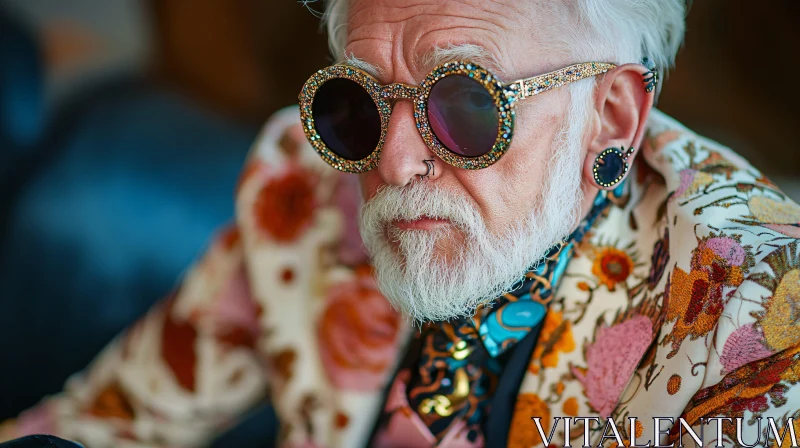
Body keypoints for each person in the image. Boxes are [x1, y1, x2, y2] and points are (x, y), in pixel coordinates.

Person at [3, 0, 800, 447]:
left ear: (612, 116)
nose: (390, 163)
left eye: (464, 102)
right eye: (353, 106)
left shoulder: (758, 320)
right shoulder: (303, 183)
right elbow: (109, 422)